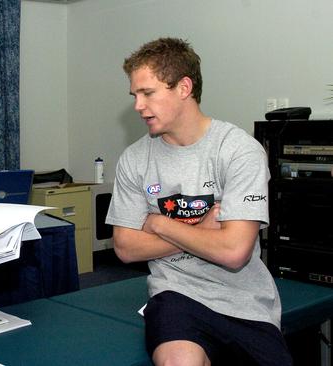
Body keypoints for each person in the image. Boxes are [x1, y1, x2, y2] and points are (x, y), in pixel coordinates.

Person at [106, 37, 292, 365]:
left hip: (245, 301)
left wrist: (161, 224)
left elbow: (234, 252)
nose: (138, 105)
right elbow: (125, 247)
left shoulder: (239, 151)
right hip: (176, 295)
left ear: (184, 87)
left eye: (147, 93)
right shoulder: (135, 159)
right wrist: (203, 231)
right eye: (135, 95)